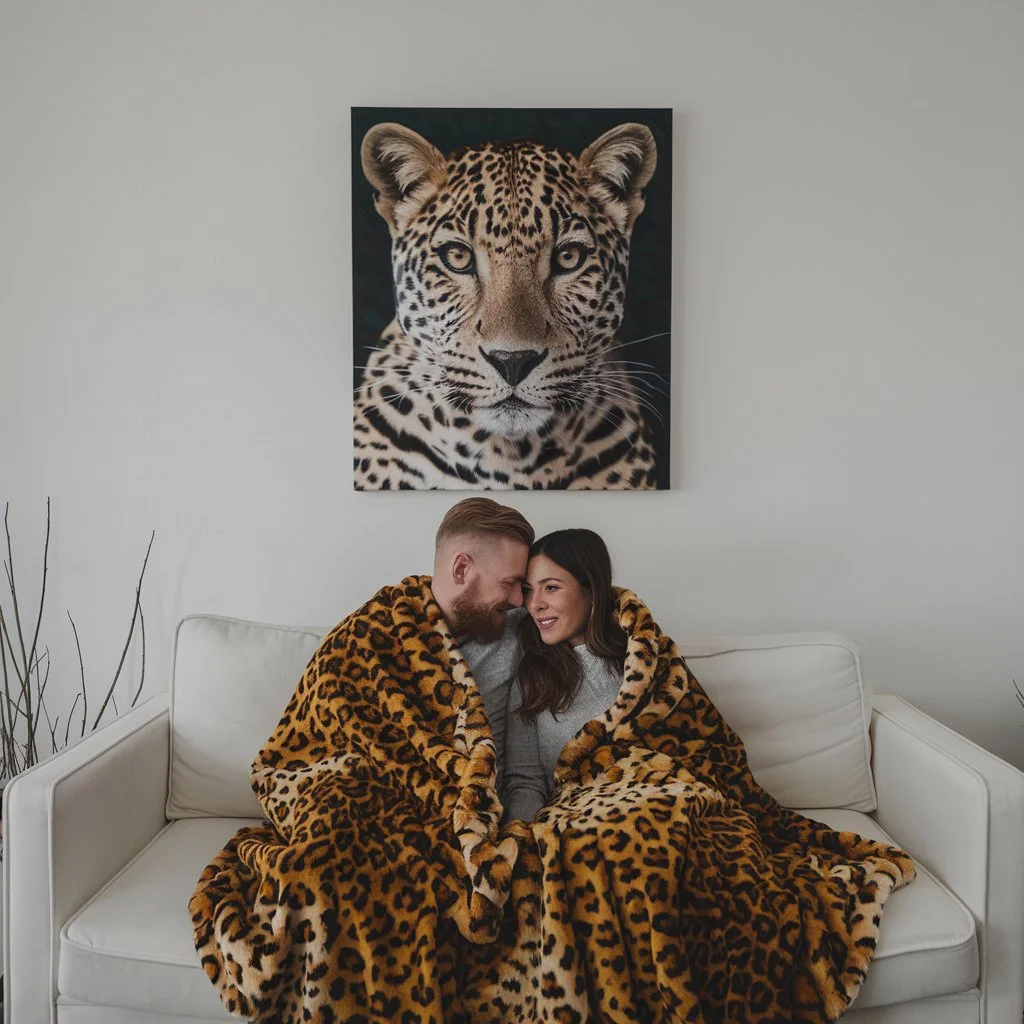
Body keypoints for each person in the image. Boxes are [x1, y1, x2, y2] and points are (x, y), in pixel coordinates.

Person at [503, 527, 625, 822]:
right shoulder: (531, 677)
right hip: (569, 832)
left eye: (552, 587)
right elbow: (525, 783)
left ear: (592, 591)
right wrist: (517, 845)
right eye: (530, 590)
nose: (535, 605)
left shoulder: (641, 658)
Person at [428, 496, 532, 791]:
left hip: (478, 812)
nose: (517, 600)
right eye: (508, 583)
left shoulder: (517, 631)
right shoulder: (380, 629)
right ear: (461, 569)